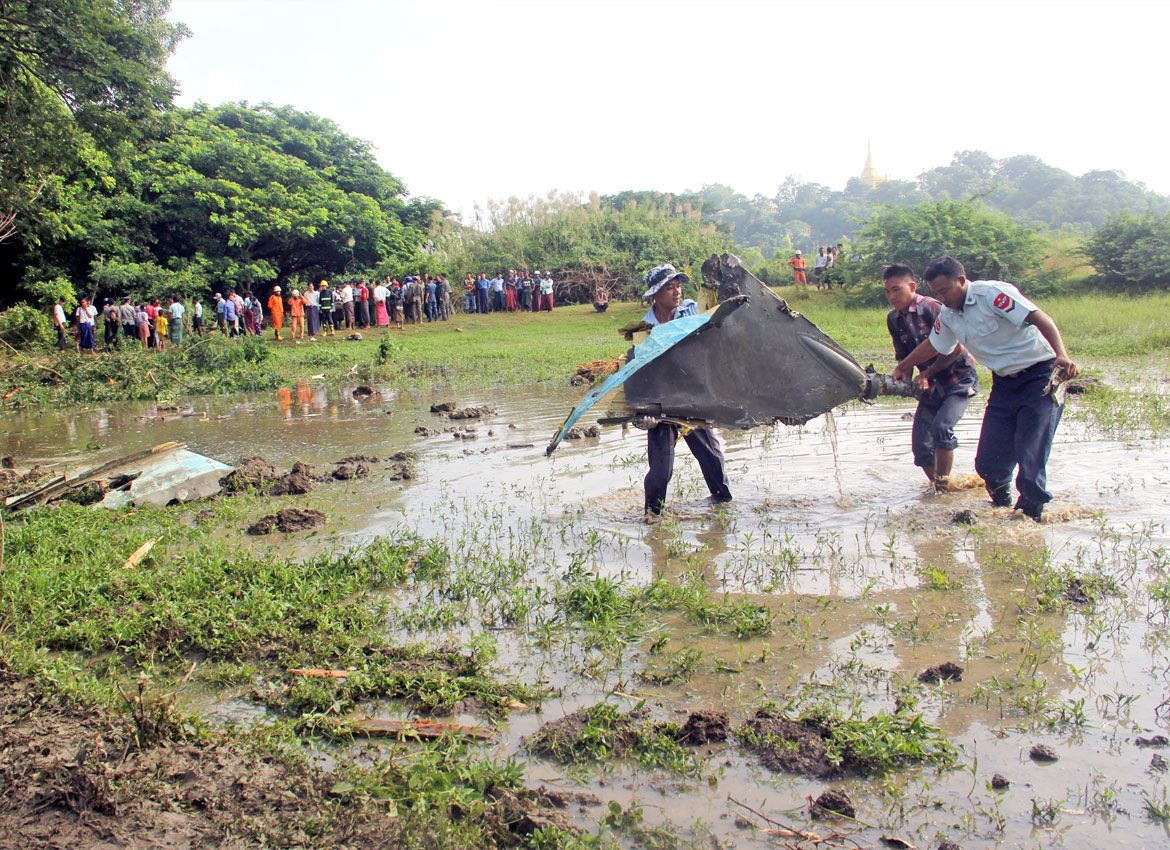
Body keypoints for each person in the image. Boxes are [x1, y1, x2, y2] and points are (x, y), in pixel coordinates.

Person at [892, 255, 1079, 522]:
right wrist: (905, 365)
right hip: (1004, 383)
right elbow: (935, 345)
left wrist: (1062, 354)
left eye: (945, 290)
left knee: (1030, 451)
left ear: (961, 280)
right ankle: (1001, 508)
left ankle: (1030, 516)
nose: (941, 298)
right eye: (936, 293)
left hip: (1040, 376)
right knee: (988, 463)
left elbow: (1040, 319)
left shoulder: (993, 294)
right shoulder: (948, 315)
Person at [636, 264, 733, 520]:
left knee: (711, 456)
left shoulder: (690, 310)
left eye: (678, 285)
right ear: (655, 295)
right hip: (662, 405)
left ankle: (723, 506)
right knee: (661, 470)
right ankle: (652, 516)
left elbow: (714, 323)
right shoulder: (643, 330)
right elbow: (638, 375)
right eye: (669, 287)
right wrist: (643, 415)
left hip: (692, 399)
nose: (676, 291)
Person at [883, 263, 977, 490]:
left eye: (896, 289)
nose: (892, 296)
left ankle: (942, 488)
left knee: (942, 428)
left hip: (958, 379)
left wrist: (926, 372)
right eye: (887, 292)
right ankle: (942, 488)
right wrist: (902, 382)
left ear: (912, 286)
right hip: (931, 385)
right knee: (921, 447)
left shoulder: (932, 308)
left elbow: (956, 350)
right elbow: (904, 360)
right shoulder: (894, 319)